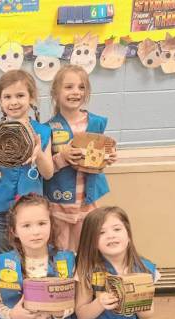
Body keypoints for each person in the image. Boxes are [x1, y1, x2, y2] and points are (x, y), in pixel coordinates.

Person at [44, 64, 118, 251]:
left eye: (81, 87)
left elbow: (102, 154)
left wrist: (108, 157)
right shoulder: (48, 128)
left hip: (87, 199)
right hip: (59, 200)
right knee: (61, 250)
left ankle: (82, 279)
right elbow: (44, 168)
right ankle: (64, 280)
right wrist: (62, 157)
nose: (75, 92)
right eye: (69, 87)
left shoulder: (96, 123)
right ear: (55, 92)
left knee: (85, 248)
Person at [0, 70, 54, 253]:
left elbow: (48, 173)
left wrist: (38, 154)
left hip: (32, 211)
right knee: (5, 259)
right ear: (0, 101)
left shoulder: (43, 132)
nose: (13, 102)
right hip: (1, 208)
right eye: (7, 97)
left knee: (32, 255)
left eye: (20, 95)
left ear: (31, 97)